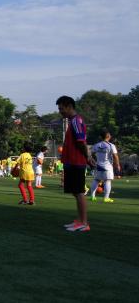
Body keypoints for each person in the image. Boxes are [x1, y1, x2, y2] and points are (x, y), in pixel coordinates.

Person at [57, 96, 95, 232]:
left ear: (69, 106)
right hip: (71, 162)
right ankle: (79, 220)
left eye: (61, 108)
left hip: (76, 162)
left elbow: (81, 142)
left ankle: (84, 223)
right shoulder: (72, 121)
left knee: (79, 192)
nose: (60, 111)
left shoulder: (76, 121)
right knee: (75, 192)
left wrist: (88, 157)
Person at [90, 130, 121, 203]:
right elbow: (115, 156)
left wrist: (95, 160)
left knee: (96, 180)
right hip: (107, 166)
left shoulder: (97, 145)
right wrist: (118, 164)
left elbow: (92, 154)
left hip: (98, 165)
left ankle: (92, 196)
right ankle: (106, 198)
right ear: (108, 136)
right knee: (107, 180)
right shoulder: (111, 145)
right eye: (109, 135)